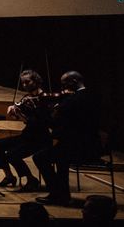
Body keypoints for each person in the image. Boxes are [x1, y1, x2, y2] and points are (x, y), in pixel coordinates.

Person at [34, 71, 101, 206]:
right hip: (90, 143)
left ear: (74, 81)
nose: (63, 88)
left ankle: (56, 193)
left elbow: (57, 122)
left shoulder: (74, 100)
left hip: (79, 147)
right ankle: (62, 194)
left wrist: (42, 112)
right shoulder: (91, 96)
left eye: (65, 84)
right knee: (58, 156)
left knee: (41, 157)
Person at [0, 70, 51, 192]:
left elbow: (37, 122)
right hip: (27, 136)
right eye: (23, 83)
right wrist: (13, 111)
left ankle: (31, 179)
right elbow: (19, 115)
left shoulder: (44, 99)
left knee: (12, 155)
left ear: (36, 81)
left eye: (27, 82)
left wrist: (22, 115)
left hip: (40, 139)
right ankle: (9, 176)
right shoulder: (28, 97)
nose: (25, 85)